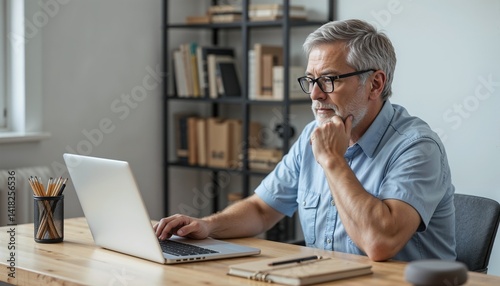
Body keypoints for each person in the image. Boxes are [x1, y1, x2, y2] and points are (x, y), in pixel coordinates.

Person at [154, 19, 456, 262]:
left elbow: (380, 244)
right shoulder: (313, 135)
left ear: (375, 84)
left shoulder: (416, 147)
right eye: (311, 80)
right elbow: (262, 210)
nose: (314, 94)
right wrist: (208, 226)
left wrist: (333, 160)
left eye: (329, 79)